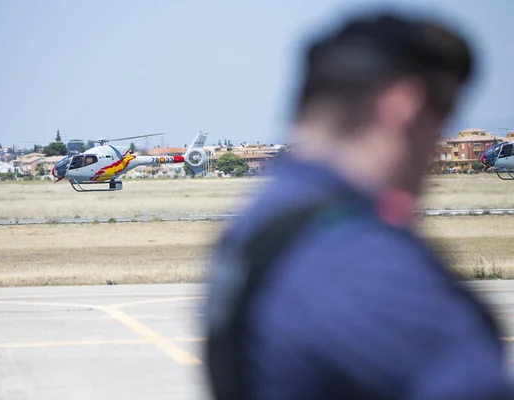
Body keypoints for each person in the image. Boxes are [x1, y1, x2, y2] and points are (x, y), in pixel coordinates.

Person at [203, 11, 514, 400]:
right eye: (443, 118)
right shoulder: (358, 258)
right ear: (405, 107)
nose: (438, 141)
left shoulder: (264, 219)